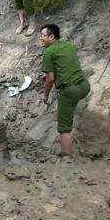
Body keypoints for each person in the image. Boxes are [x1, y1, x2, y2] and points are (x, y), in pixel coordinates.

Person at [40, 24, 90, 157]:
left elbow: (50, 79)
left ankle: (66, 157)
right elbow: (65, 64)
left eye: (43, 36)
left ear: (51, 37)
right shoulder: (69, 46)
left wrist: (45, 95)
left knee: (64, 128)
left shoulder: (49, 52)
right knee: (70, 108)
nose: (40, 38)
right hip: (84, 85)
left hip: (69, 90)